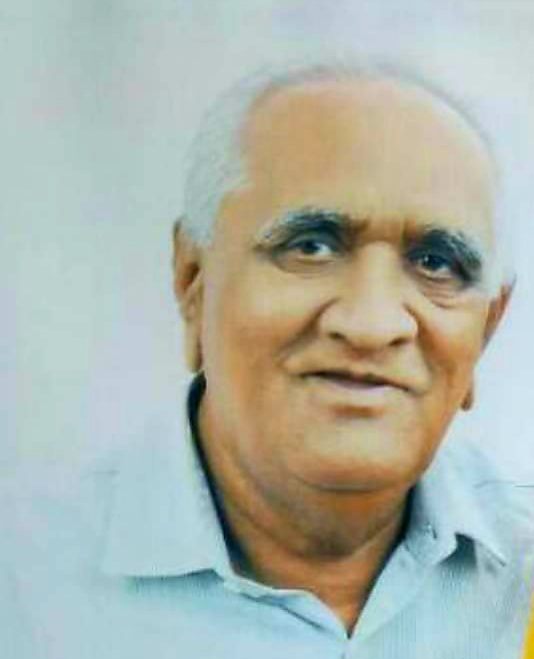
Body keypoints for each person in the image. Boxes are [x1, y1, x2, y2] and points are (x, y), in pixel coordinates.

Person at [2, 60, 534, 659]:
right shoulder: (22, 590)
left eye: (437, 263)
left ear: (488, 327)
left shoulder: (523, 579)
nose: (372, 324)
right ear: (192, 279)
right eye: (311, 246)